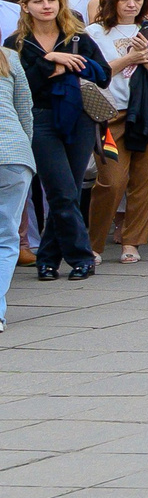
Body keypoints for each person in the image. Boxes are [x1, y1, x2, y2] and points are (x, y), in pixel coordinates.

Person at [11, 0, 107, 278]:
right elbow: (20, 86)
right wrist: (50, 62)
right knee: (61, 191)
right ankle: (81, 257)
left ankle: (48, 259)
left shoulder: (77, 38)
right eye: (38, 1)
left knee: (68, 192)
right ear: (25, 6)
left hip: (79, 117)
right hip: (39, 119)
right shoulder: (16, 44)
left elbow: (103, 74)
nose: (46, 5)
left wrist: (70, 63)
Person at [82, 0, 148, 265]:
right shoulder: (94, 33)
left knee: (145, 182)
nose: (131, 4)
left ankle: (132, 241)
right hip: (109, 115)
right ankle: (94, 244)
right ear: (112, 0)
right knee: (111, 180)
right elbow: (92, 74)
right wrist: (129, 58)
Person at [0, 21, 31, 330]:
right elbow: (25, 111)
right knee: (5, 237)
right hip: (13, 155)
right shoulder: (9, 57)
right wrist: (25, 152)